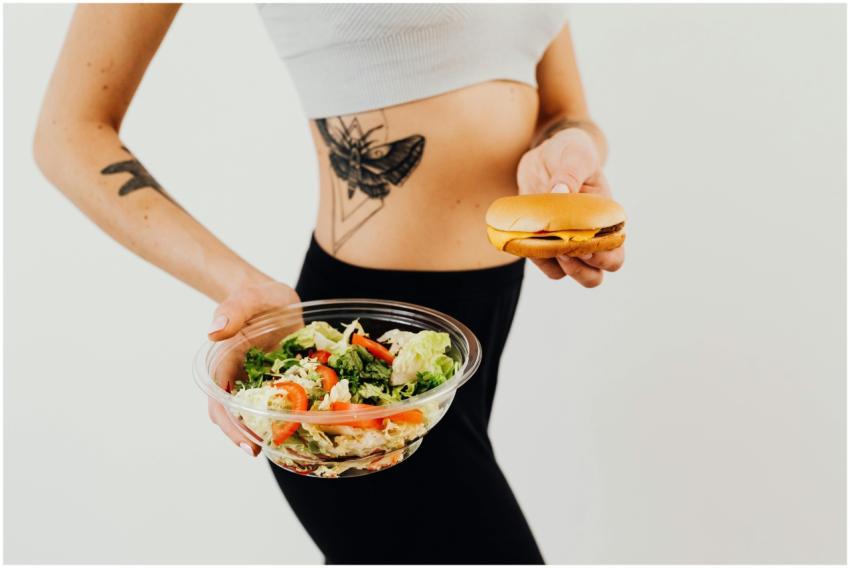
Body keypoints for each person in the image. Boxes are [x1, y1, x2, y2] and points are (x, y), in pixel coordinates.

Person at [34, 4, 625, 564]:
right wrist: (239, 285)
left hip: (475, 335)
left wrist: (568, 148)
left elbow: (563, 110)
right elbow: (69, 133)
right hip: (351, 370)